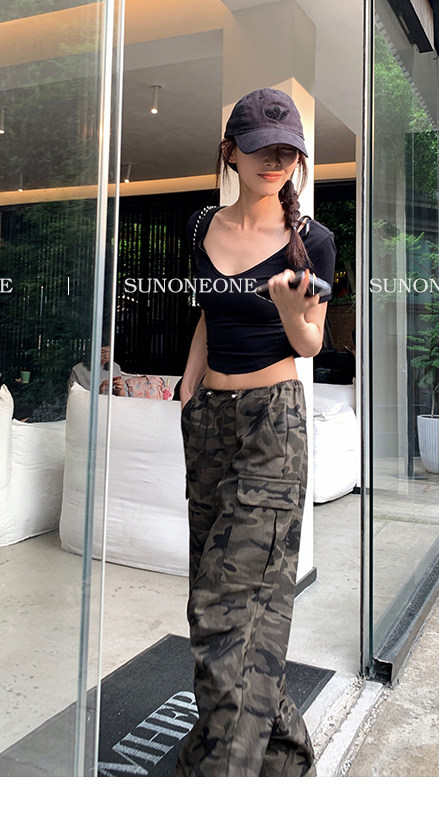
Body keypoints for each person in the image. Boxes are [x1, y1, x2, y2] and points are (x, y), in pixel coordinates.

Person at [176, 88, 336, 777]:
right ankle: (283, 752)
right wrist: (189, 389)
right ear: (230, 152)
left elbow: (310, 342)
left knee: (227, 605)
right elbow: (208, 316)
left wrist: (294, 313)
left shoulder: (314, 241)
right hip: (209, 421)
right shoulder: (199, 226)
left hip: (274, 422)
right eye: (261, 147)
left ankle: (222, 771)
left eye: (287, 150)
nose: (275, 160)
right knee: (225, 599)